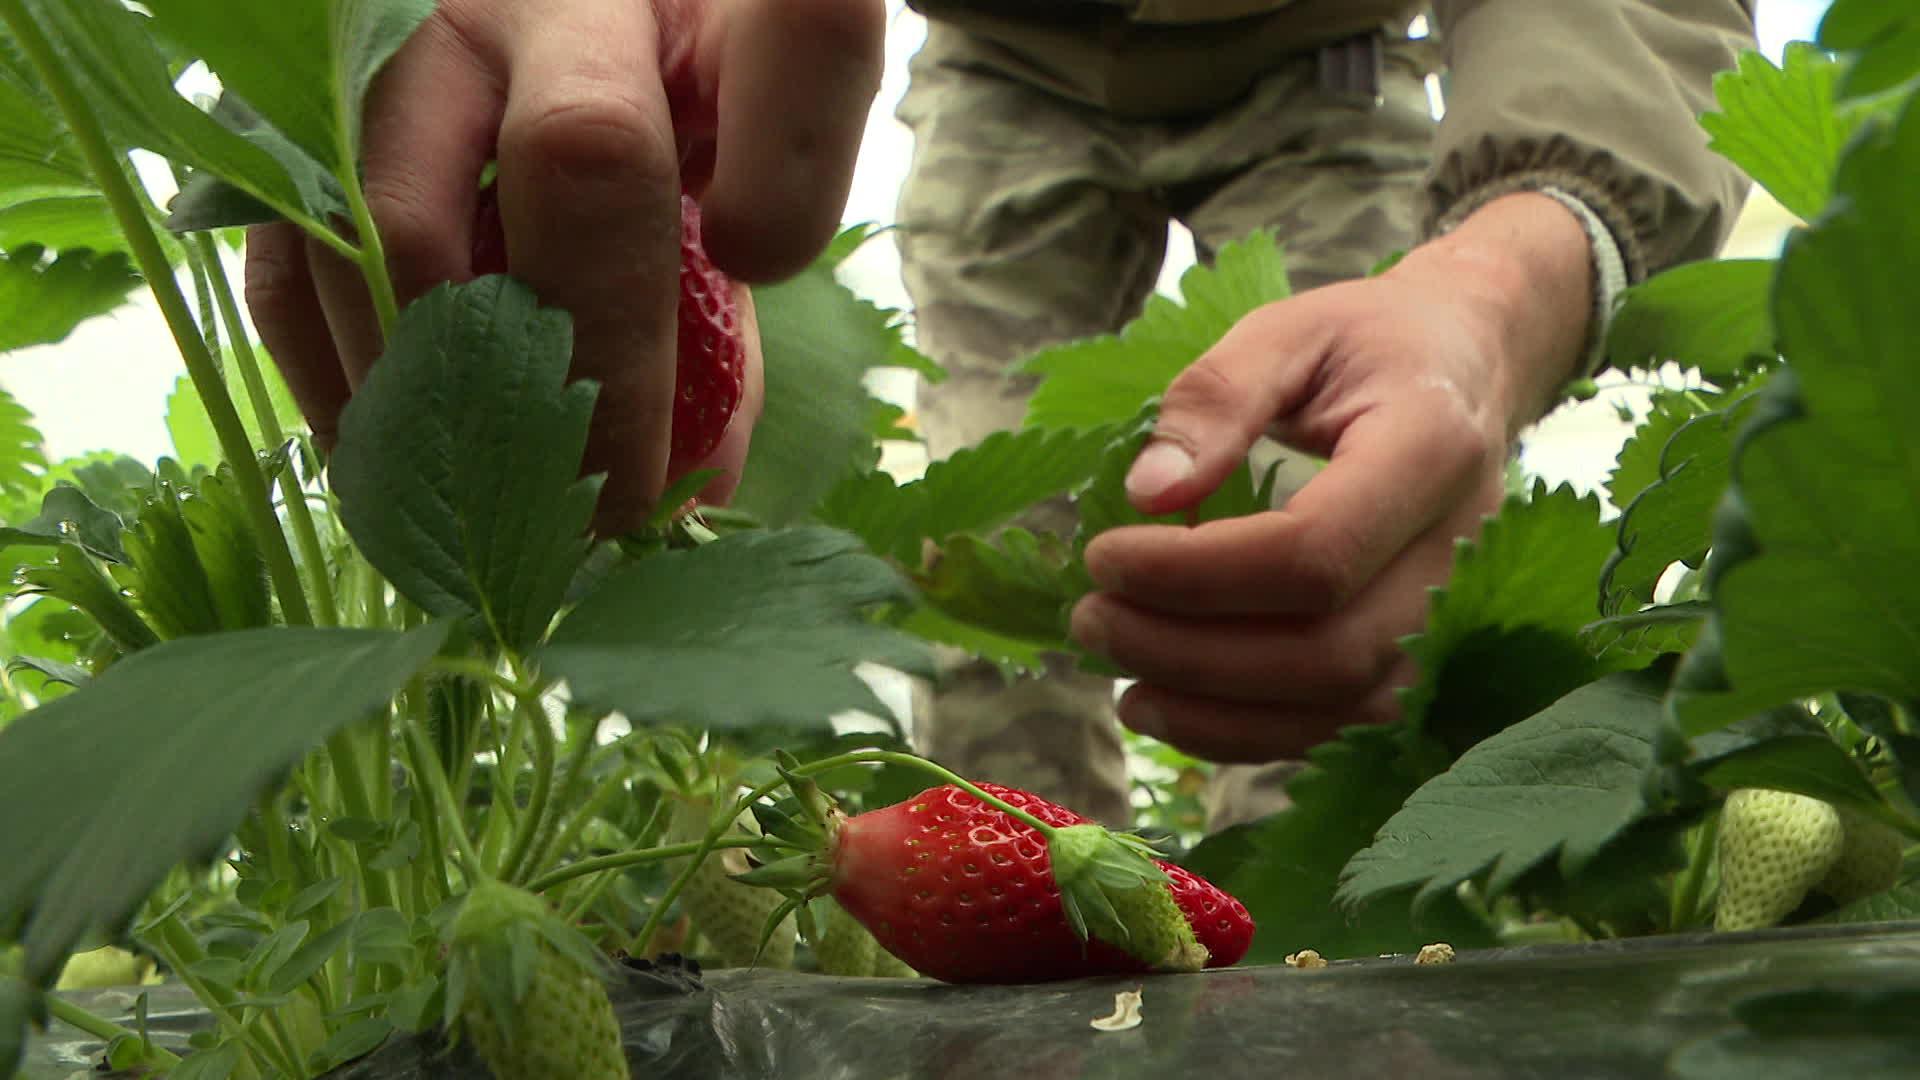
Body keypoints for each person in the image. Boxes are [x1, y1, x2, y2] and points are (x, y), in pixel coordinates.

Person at [245, 0, 1753, 828]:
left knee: (1328, 506)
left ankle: (1328, 909)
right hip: (999, 49)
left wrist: (1508, 273)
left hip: (1329, 37)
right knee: (982, 517)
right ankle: (1033, 895)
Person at [895, 0, 1755, 829]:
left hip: (1329, 50)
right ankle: (1031, 933)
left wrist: (1500, 295)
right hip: (998, 45)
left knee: (1350, 571)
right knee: (991, 578)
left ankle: (1319, 940)